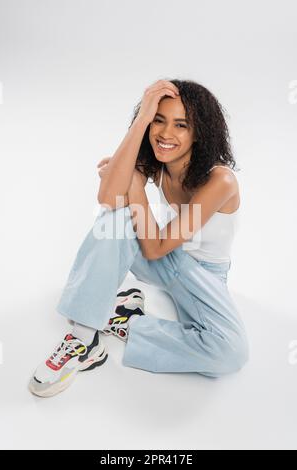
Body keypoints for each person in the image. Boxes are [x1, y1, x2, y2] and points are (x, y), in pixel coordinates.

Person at [29, 79, 249, 398]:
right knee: (115, 219)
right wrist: (141, 120)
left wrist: (132, 182)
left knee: (231, 352)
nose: (165, 133)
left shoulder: (221, 180)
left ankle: (125, 320)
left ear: (199, 133)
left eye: (180, 125)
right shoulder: (158, 163)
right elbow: (107, 197)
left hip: (202, 276)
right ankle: (83, 338)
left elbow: (156, 247)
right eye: (158, 120)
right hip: (165, 263)